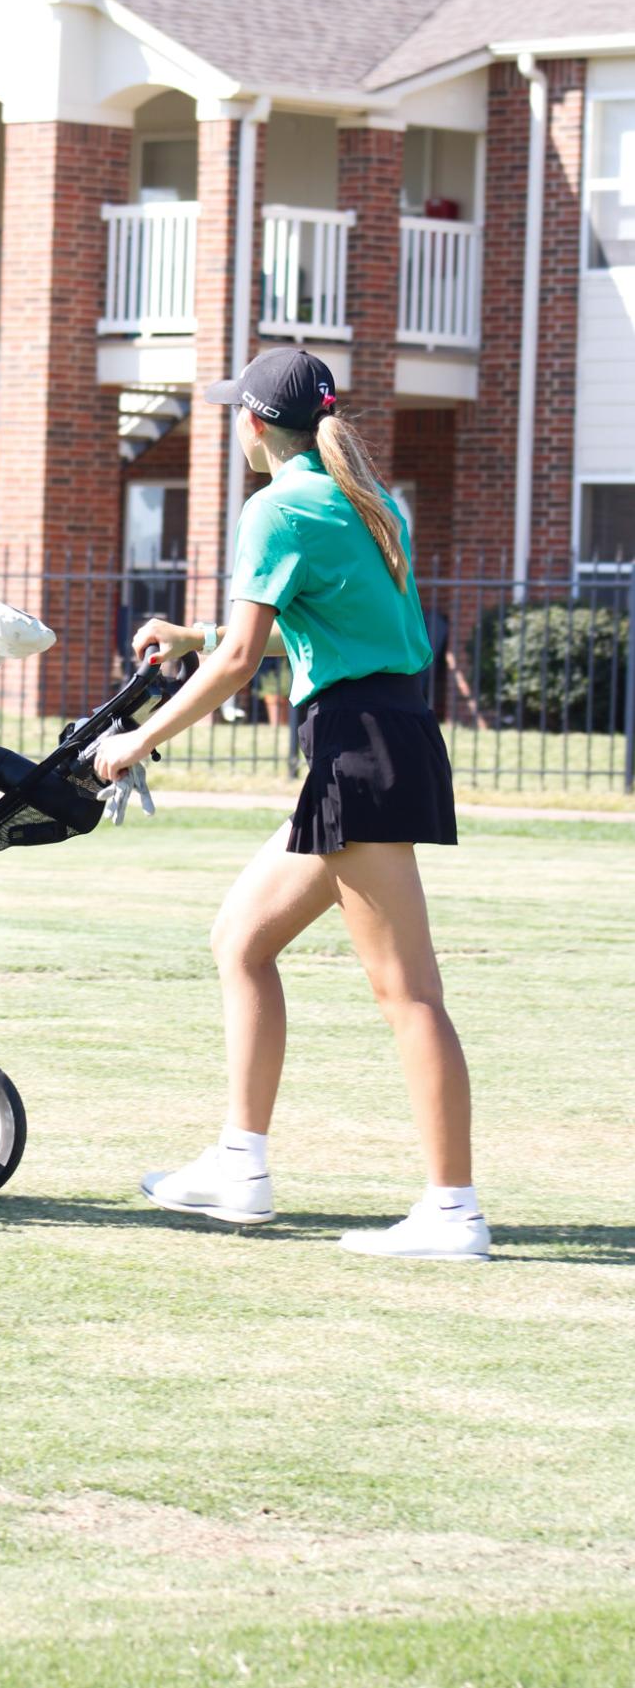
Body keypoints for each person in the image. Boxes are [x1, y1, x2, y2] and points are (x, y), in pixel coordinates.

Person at [93, 347, 488, 1262]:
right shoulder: (370, 499)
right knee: (242, 939)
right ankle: (242, 1163)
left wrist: (135, 742)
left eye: (236, 410)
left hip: (358, 753)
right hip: (380, 738)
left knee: (410, 993)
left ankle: (454, 1210)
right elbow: (327, 630)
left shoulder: (274, 506)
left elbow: (240, 665)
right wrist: (200, 632)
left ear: (254, 424)